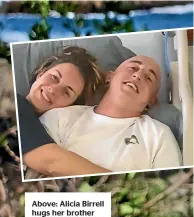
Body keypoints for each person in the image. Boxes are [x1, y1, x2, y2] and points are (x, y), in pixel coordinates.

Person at [39, 55, 182, 175]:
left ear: (151, 100)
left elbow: (171, 194)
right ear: (109, 77)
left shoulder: (159, 136)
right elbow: (38, 170)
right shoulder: (60, 118)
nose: (137, 76)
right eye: (133, 68)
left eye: (149, 78)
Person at [17, 46, 111, 177]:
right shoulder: (14, 103)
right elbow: (51, 162)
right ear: (41, 73)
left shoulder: (55, 134)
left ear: (71, 106)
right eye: (54, 77)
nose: (54, 90)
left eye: (66, 92)